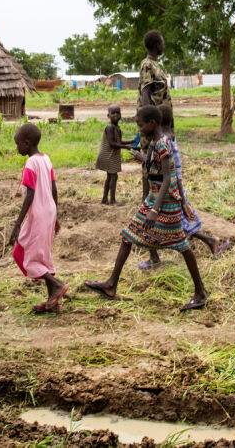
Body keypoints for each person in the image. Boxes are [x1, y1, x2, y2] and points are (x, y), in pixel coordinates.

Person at [84, 105, 208, 311]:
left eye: (141, 125)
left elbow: (169, 178)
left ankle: (200, 293)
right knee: (128, 236)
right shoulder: (155, 143)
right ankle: (111, 284)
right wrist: (145, 160)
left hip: (163, 203)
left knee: (183, 246)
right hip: (154, 198)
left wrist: (156, 210)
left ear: (152, 123)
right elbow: (159, 170)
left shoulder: (163, 144)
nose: (139, 129)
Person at [140, 106, 228, 269]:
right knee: (176, 224)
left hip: (169, 189)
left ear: (155, 122)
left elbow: (168, 171)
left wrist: (144, 159)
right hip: (173, 187)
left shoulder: (162, 141)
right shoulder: (170, 137)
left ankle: (155, 258)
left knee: (160, 223)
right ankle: (209, 241)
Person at [8, 123, 67, 313]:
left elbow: (31, 195)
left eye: (18, 144)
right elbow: (54, 189)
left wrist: (17, 224)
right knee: (42, 254)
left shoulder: (30, 163)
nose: (17, 147)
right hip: (48, 212)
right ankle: (52, 300)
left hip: (38, 214)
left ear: (26, 144)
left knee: (24, 253)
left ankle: (56, 285)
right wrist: (55, 215)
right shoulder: (46, 159)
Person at [137, 30, 171, 200]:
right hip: (152, 123)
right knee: (148, 162)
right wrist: (149, 123)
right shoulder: (147, 65)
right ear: (157, 45)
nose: (164, 45)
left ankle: (156, 200)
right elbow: (145, 94)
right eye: (162, 42)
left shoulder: (156, 65)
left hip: (159, 123)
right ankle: (146, 202)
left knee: (158, 161)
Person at [95, 105, 132, 205]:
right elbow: (112, 143)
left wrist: (129, 142)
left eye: (118, 112)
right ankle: (112, 200)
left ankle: (104, 199)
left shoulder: (115, 126)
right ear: (108, 115)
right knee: (114, 176)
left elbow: (118, 141)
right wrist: (126, 147)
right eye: (113, 113)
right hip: (108, 155)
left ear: (120, 115)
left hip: (110, 154)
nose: (116, 115)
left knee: (110, 177)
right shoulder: (110, 127)